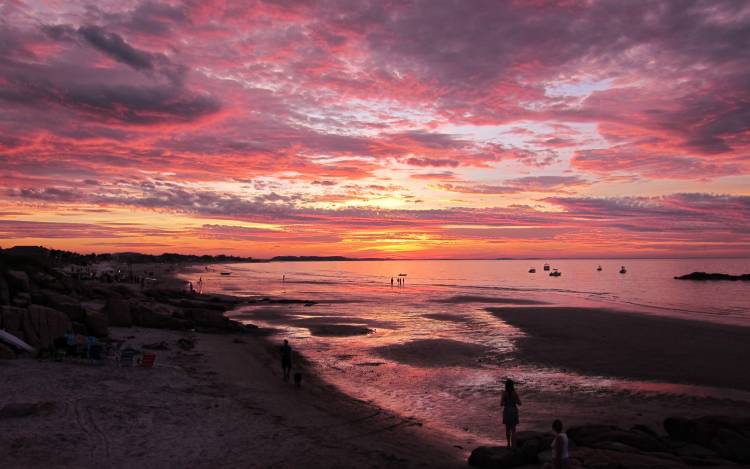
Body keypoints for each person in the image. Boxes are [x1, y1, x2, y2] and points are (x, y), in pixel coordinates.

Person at [501, 378, 521, 447]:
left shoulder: (504, 393)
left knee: (507, 429)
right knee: (513, 430)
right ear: (512, 386)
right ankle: (514, 445)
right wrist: (514, 401)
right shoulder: (515, 393)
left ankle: (508, 444)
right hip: (513, 411)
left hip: (506, 411)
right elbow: (519, 403)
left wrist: (506, 402)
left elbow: (501, 404)